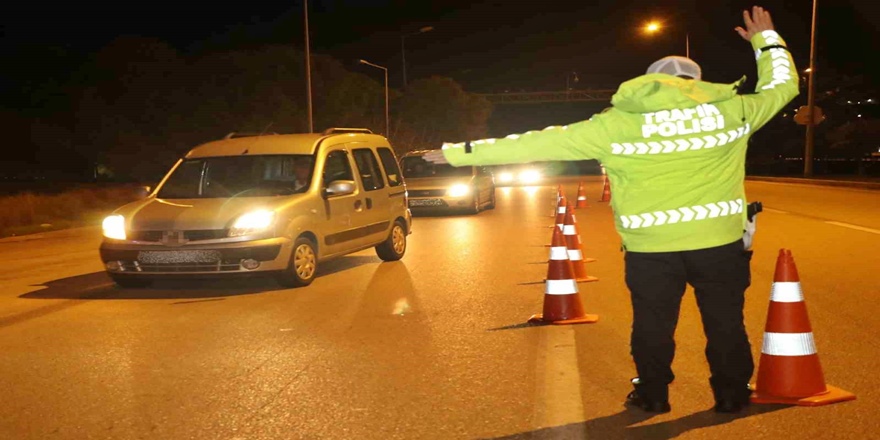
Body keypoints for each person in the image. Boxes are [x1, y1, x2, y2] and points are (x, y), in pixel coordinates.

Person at [424, 6, 797, 413]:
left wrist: (457, 154)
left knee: (653, 326)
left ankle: (653, 395)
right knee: (725, 323)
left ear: (648, 82)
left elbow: (534, 143)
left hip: (650, 249)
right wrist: (767, 40)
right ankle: (731, 395)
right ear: (697, 83)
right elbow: (783, 86)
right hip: (719, 244)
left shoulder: (612, 125)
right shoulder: (733, 111)